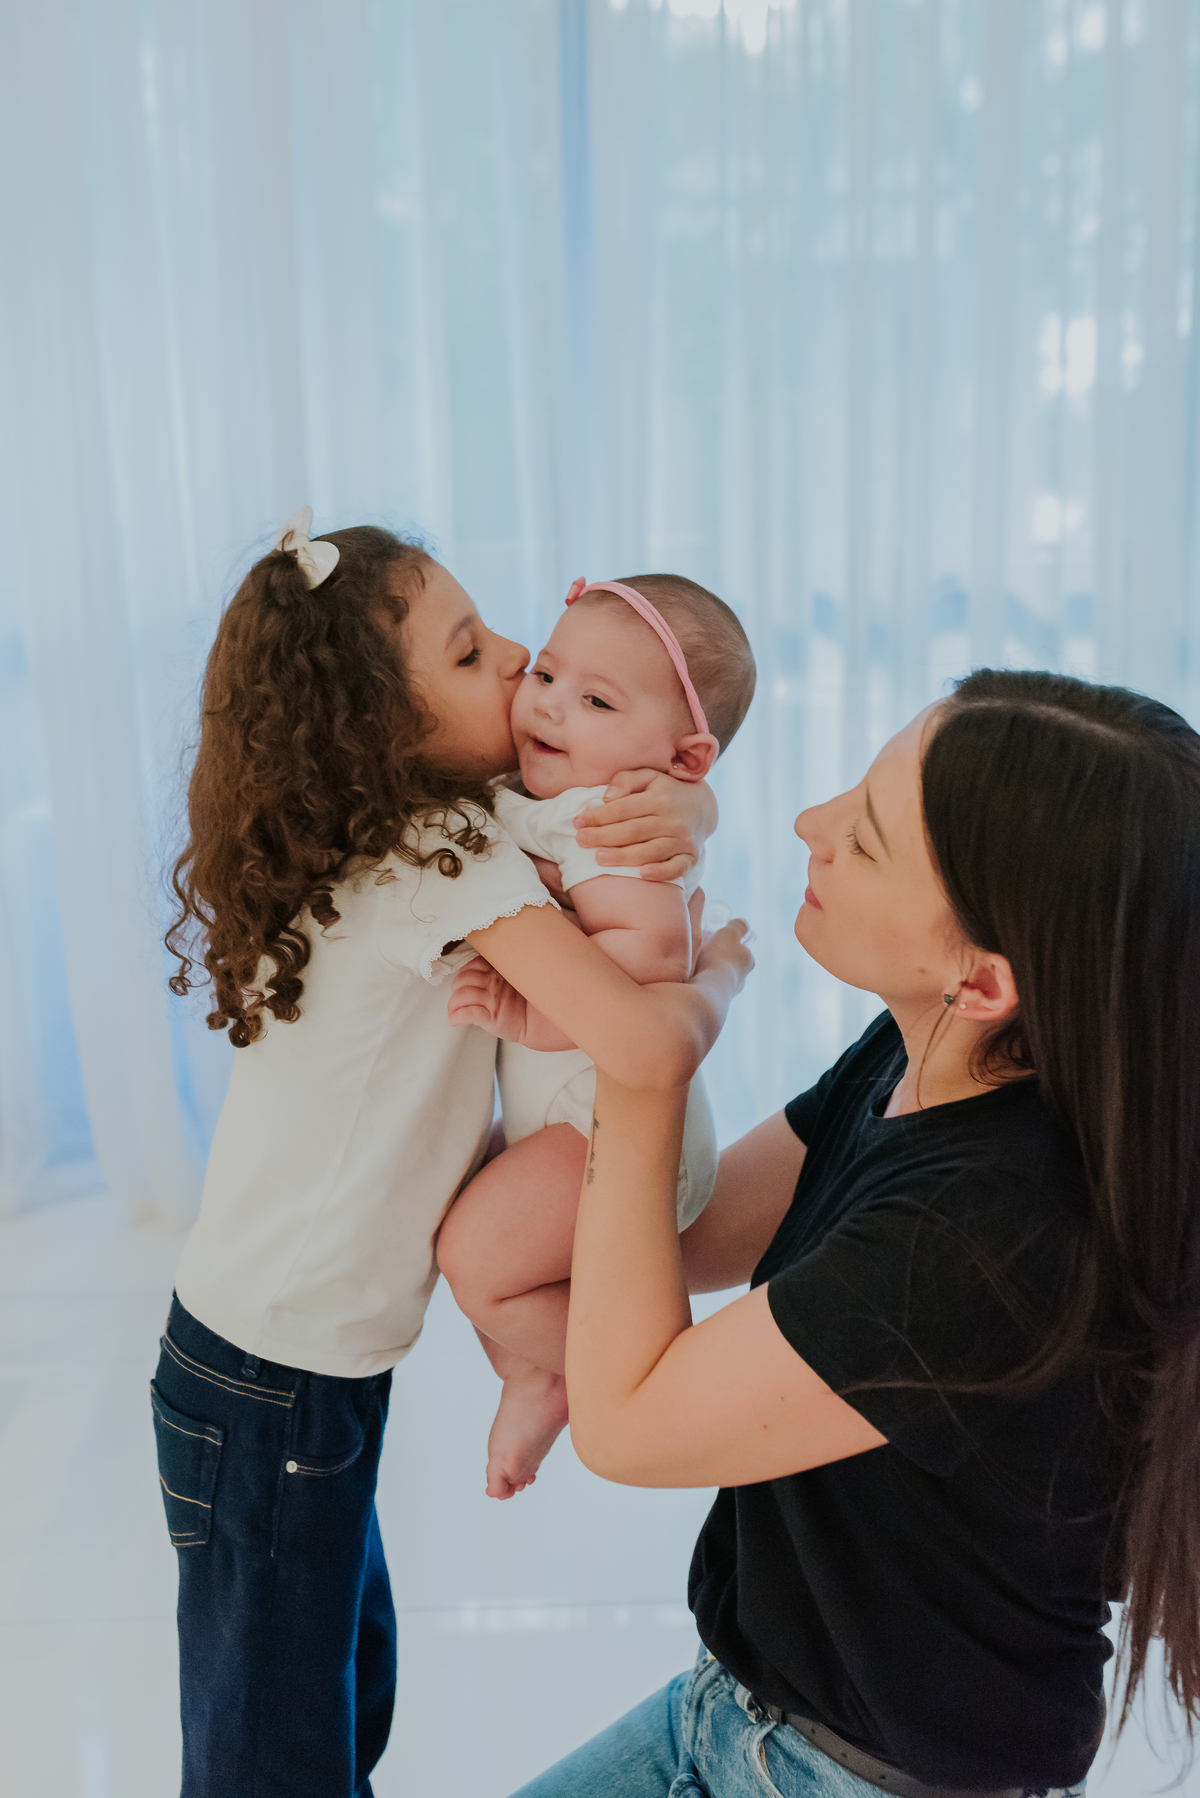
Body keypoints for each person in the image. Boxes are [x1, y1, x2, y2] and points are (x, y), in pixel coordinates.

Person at [514, 669, 1200, 1798]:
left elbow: (629, 1424)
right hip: (740, 1706)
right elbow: (684, 1229)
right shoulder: (923, 1057)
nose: (808, 824)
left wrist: (646, 1061)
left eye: (867, 841)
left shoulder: (985, 1230)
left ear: (982, 979)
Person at [155, 511, 749, 1798]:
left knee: (331, 1682)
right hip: (277, 1378)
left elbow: (580, 806)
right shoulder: (438, 856)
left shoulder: (413, 819)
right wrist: (722, 972)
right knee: (277, 1743)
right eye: (476, 655)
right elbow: (641, 1041)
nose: (525, 657)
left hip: (274, 1358)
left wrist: (682, 796)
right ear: (381, 730)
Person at [437, 573, 756, 1500]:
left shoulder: (613, 823)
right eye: (545, 673)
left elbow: (652, 955)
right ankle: (539, 1374)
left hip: (611, 1137)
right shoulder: (557, 793)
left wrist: (525, 1013)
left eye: (597, 700)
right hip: (580, 1125)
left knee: (478, 1265)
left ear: (682, 760)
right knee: (455, 1206)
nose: (547, 706)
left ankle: (584, 1373)